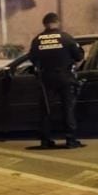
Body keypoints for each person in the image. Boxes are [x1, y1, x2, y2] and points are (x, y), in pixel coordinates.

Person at [29, 12, 84, 149]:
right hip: (65, 78)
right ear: (57, 22)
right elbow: (79, 56)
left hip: (47, 79)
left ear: (44, 24)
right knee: (68, 109)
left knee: (46, 110)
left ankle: (45, 140)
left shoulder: (38, 40)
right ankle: (70, 140)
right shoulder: (66, 38)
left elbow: (32, 59)